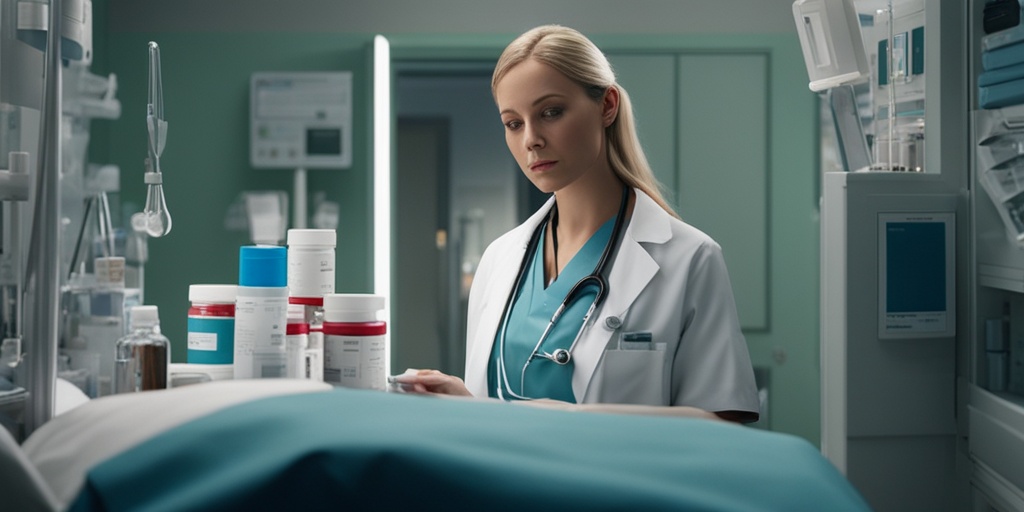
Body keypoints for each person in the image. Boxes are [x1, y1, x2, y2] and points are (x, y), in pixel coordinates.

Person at [394, 24, 760, 423]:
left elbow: (724, 424)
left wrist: (574, 420)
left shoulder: (689, 258)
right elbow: (498, 417)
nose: (531, 139)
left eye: (550, 112)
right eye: (513, 123)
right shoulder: (499, 258)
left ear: (607, 106)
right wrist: (470, 403)